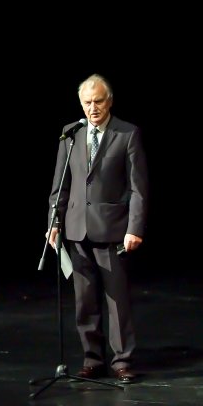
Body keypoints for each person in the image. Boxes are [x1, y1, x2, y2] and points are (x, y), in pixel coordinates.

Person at [45, 73, 148, 384]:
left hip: (113, 231)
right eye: (87, 102)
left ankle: (122, 361)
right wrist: (54, 222)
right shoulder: (71, 134)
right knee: (85, 301)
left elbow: (138, 188)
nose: (93, 108)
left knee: (117, 301)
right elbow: (60, 185)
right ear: (81, 103)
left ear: (110, 101)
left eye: (98, 101)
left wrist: (134, 227)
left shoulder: (126, 133)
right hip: (76, 231)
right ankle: (93, 359)